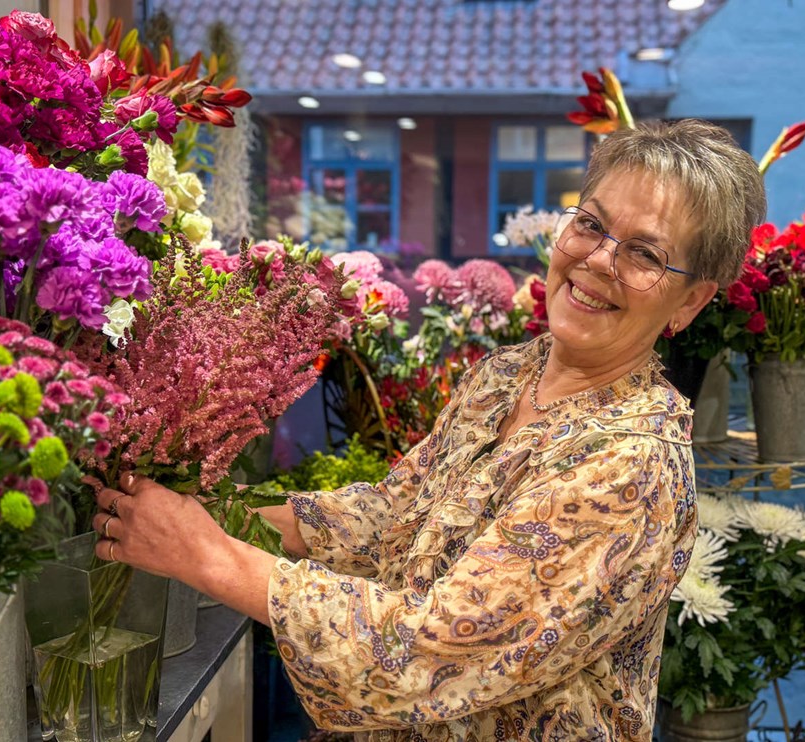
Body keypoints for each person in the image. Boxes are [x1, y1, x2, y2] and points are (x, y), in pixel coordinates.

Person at [93, 119, 767, 741]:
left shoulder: (630, 466)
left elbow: (426, 653)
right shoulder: (512, 373)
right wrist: (218, 515)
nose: (597, 260)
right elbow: (395, 517)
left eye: (644, 253)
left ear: (691, 300)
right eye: (590, 224)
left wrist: (210, 555)